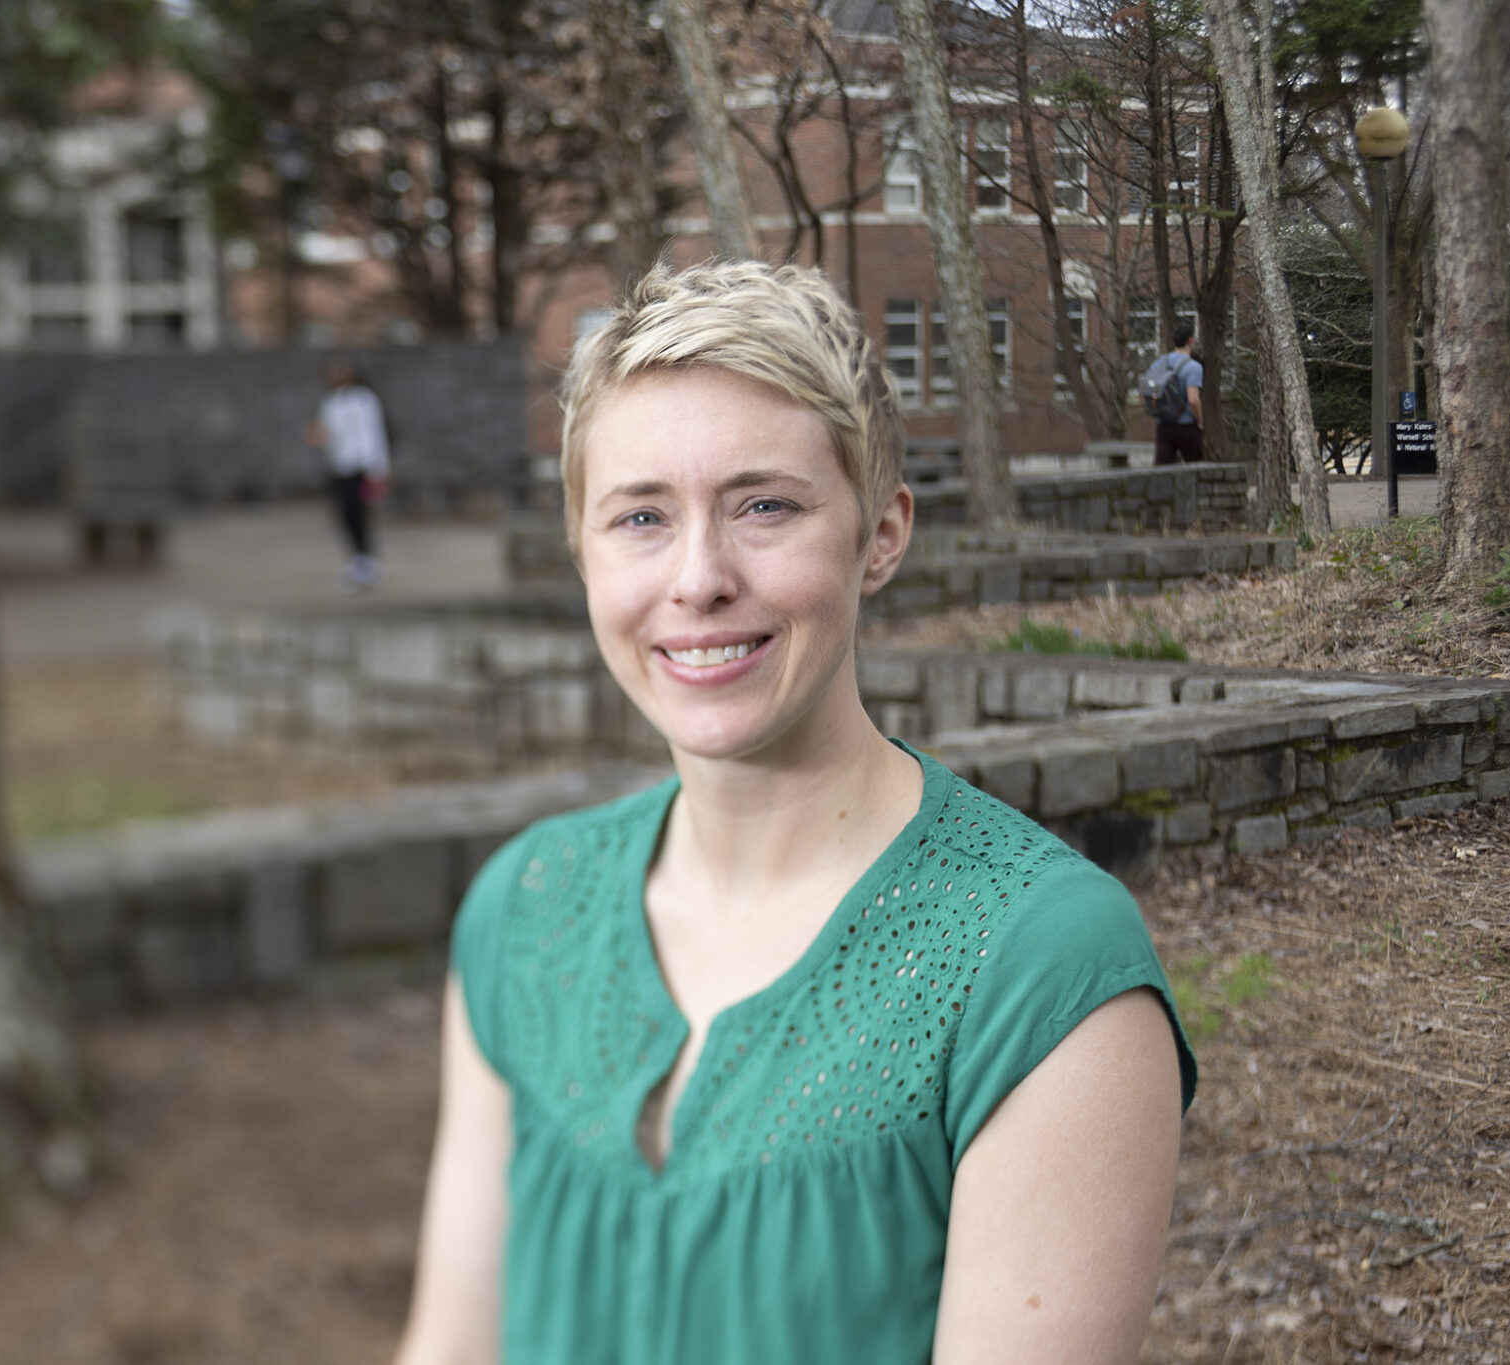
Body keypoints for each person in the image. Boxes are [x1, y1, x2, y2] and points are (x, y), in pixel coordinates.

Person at [394, 261, 1196, 1365]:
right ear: (578, 549)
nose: (698, 578)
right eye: (638, 517)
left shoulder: (1041, 972)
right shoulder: (523, 908)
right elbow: (449, 1346)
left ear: (879, 534)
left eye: (762, 505)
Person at [306, 358, 391, 588]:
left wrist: (378, 468)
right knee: (344, 514)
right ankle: (357, 558)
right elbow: (328, 434)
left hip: (361, 467)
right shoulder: (331, 402)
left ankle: (367, 561)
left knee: (360, 514)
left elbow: (373, 434)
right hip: (339, 466)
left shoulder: (364, 400)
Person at [1150, 319, 1205, 466]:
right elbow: (1193, 400)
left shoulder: (1160, 362)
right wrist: (1199, 420)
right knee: (1196, 472)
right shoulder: (1193, 367)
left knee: (1162, 473)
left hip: (1163, 426)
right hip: (1186, 427)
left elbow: (1148, 392)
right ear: (1190, 340)